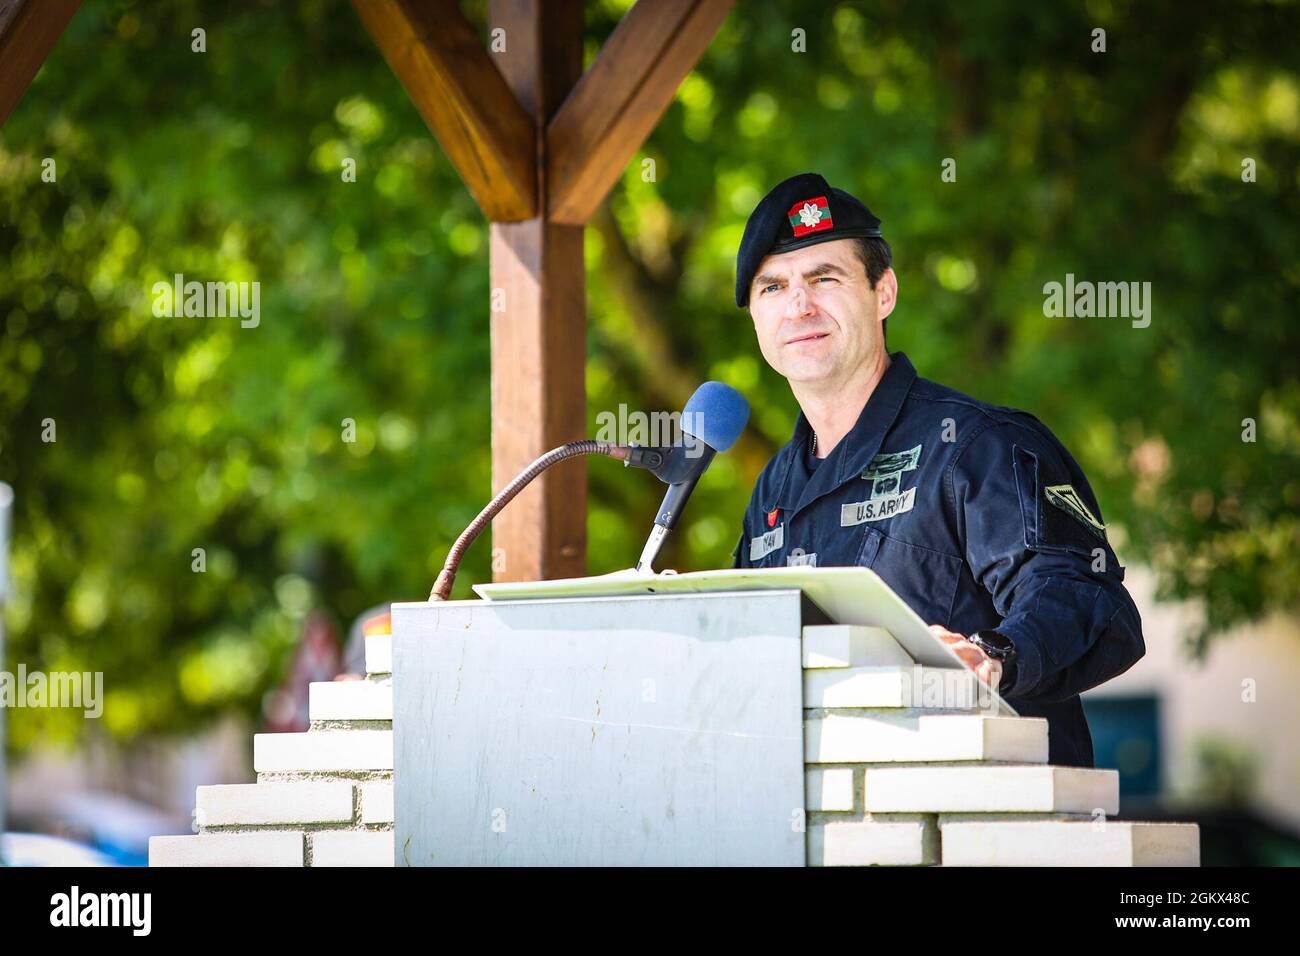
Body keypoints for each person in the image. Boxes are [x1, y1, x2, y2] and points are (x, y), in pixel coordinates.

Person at [731, 172, 1144, 768]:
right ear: (756, 319)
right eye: (772, 287)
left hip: (1001, 829)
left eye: (825, 278)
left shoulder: (978, 446)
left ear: (884, 293)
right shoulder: (773, 489)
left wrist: (991, 656)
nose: (799, 304)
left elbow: (1087, 597)